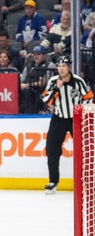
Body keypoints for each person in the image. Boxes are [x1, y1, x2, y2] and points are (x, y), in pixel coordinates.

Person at [41, 56, 94, 194]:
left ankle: (87, 180)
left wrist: (82, 112)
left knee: (83, 150)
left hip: (76, 119)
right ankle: (53, 181)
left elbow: (89, 97)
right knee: (51, 149)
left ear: (69, 67)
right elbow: (47, 100)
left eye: (64, 66)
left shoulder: (78, 81)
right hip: (58, 118)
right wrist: (57, 89)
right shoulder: (53, 81)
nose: (61, 68)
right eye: (59, 66)